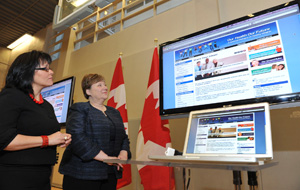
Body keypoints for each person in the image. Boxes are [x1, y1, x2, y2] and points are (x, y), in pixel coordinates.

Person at [0, 50, 72, 190]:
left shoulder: (47, 106)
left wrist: (61, 138)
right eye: (45, 69)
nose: (51, 72)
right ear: (27, 71)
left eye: (50, 68)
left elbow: (48, 135)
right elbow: (4, 139)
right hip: (14, 177)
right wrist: (47, 140)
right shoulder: (11, 96)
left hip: (43, 176)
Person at [59, 73, 131, 190]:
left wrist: (123, 152)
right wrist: (105, 158)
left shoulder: (114, 112)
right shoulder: (80, 108)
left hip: (110, 174)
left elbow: (123, 137)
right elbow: (77, 138)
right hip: (82, 174)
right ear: (88, 92)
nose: (105, 88)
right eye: (99, 85)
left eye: (105, 85)